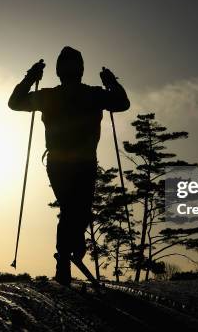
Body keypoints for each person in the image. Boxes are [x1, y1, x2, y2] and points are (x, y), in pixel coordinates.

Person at [8, 46, 130, 285]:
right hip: (82, 162)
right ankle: (67, 254)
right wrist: (112, 82)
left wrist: (29, 78)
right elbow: (122, 103)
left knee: (71, 209)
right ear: (81, 70)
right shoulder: (93, 95)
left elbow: (15, 102)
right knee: (77, 209)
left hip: (60, 163)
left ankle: (66, 254)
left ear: (58, 71)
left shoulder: (49, 96)